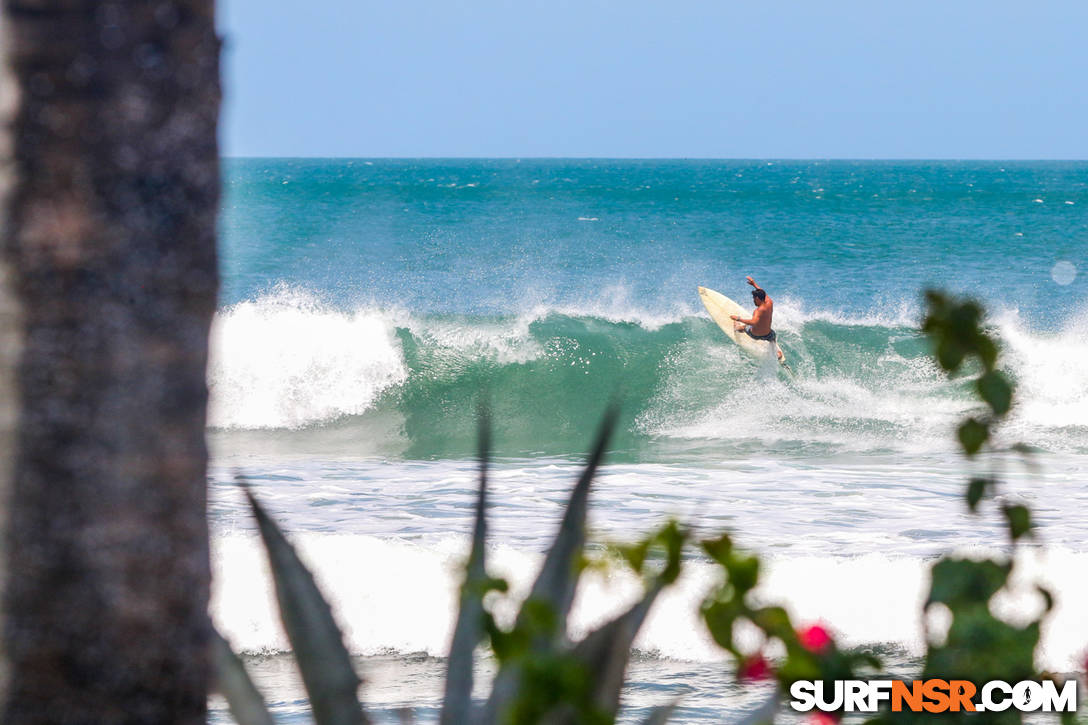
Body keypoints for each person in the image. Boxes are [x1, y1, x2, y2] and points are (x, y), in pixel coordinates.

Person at [730, 276, 783, 361]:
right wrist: (754, 284)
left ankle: (739, 327)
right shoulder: (770, 303)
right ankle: (777, 353)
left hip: (755, 335)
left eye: (754, 298)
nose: (753, 300)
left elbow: (754, 322)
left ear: (758, 298)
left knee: (745, 326)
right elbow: (764, 293)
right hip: (768, 334)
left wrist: (738, 318)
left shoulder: (758, 311)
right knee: (773, 336)